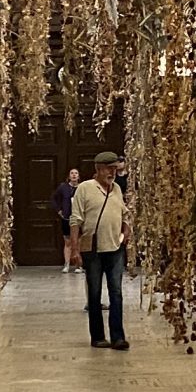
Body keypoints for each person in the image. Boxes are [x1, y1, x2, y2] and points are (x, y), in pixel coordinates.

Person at [70, 150, 129, 350]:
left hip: (115, 247)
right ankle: (97, 336)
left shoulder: (117, 189)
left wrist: (125, 233)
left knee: (117, 293)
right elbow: (76, 219)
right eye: (108, 169)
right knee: (94, 293)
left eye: (115, 168)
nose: (112, 172)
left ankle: (118, 337)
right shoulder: (85, 189)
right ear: (98, 169)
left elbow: (123, 212)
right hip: (93, 249)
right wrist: (75, 249)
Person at [54, 167, 81, 270]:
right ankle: (67, 264)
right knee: (68, 241)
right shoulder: (63, 187)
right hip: (67, 218)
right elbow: (54, 199)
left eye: (76, 173)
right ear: (69, 176)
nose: (74, 175)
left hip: (78, 218)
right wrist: (59, 210)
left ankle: (78, 265)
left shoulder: (82, 187)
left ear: (78, 176)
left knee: (78, 241)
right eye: (72, 173)